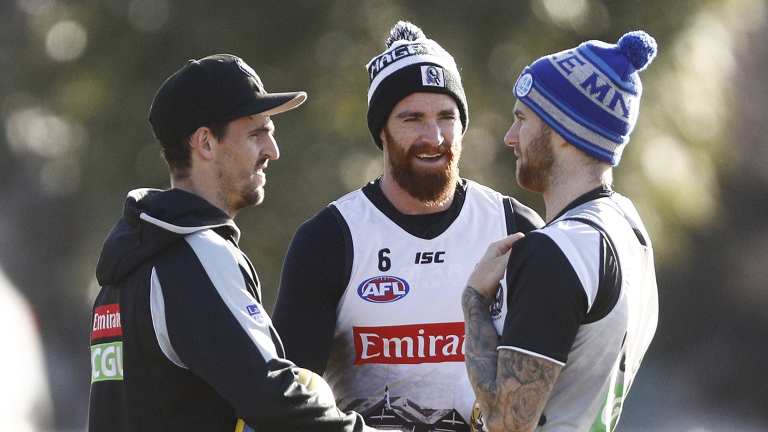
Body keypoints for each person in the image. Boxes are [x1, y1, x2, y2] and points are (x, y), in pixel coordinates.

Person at [272, 22, 544, 431]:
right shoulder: (329, 239)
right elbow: (290, 404)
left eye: (446, 117)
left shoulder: (514, 226)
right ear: (381, 131)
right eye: (412, 118)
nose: (433, 136)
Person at [88, 54, 377, 431]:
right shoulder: (198, 254)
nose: (273, 150)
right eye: (257, 133)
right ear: (205, 143)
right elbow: (275, 401)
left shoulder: (125, 266)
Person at [462, 31, 660, 431]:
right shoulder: (632, 230)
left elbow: (506, 423)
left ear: (566, 133)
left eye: (522, 119)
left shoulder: (556, 251)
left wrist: (474, 305)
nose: (509, 138)